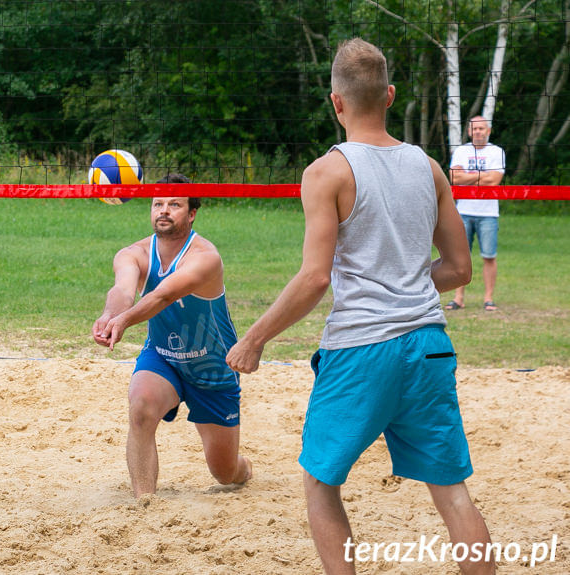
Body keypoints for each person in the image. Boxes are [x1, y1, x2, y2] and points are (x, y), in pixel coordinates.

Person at [226, 39, 494, 574]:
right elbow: (460, 270)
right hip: (428, 345)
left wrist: (254, 338)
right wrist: (405, 284)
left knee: (322, 482)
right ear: (390, 95)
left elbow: (313, 278)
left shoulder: (327, 172)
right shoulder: (430, 167)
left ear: (336, 102)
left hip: (362, 348)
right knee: (451, 489)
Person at [92, 174, 252, 497]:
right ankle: (144, 503)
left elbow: (162, 296)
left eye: (175, 204)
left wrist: (123, 322)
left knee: (225, 473)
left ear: (191, 214)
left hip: (212, 367)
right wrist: (110, 315)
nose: (164, 210)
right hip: (163, 356)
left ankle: (243, 468)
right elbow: (123, 289)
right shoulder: (133, 253)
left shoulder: (206, 257)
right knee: (140, 407)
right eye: (158, 203)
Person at [445, 115, 506, 312]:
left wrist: (468, 177)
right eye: (475, 129)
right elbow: (454, 178)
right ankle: (458, 298)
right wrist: (482, 176)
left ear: (488, 130)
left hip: (488, 213)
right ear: (470, 131)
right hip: (463, 211)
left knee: (489, 256)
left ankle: (488, 298)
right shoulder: (462, 151)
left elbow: (494, 180)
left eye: (482, 128)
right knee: (461, 257)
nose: (478, 131)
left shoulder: (496, 152)